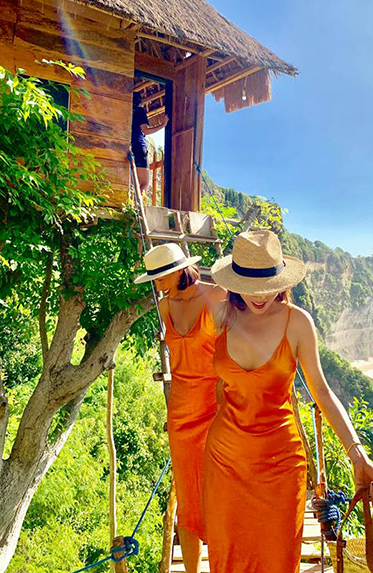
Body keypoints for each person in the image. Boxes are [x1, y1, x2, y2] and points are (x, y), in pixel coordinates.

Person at [202, 230, 373, 573]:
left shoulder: (297, 322)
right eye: (251, 286)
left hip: (280, 466)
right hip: (224, 462)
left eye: (268, 286)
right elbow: (218, 386)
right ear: (235, 282)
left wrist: (357, 454)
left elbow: (323, 393)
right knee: (227, 560)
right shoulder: (221, 315)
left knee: (278, 560)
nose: (260, 296)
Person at [135, 243, 225, 573]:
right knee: (188, 500)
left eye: (161, 276)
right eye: (154, 278)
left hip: (216, 406)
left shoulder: (217, 296)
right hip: (181, 412)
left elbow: (233, 350)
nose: (157, 283)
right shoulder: (164, 306)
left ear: (180, 270)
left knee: (220, 493)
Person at [131, 91, 168, 193]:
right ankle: (135, 203)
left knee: (132, 182)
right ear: (140, 102)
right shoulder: (139, 111)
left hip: (129, 145)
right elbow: (145, 130)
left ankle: (131, 201)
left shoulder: (128, 111)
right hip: (139, 146)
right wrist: (163, 125)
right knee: (144, 183)